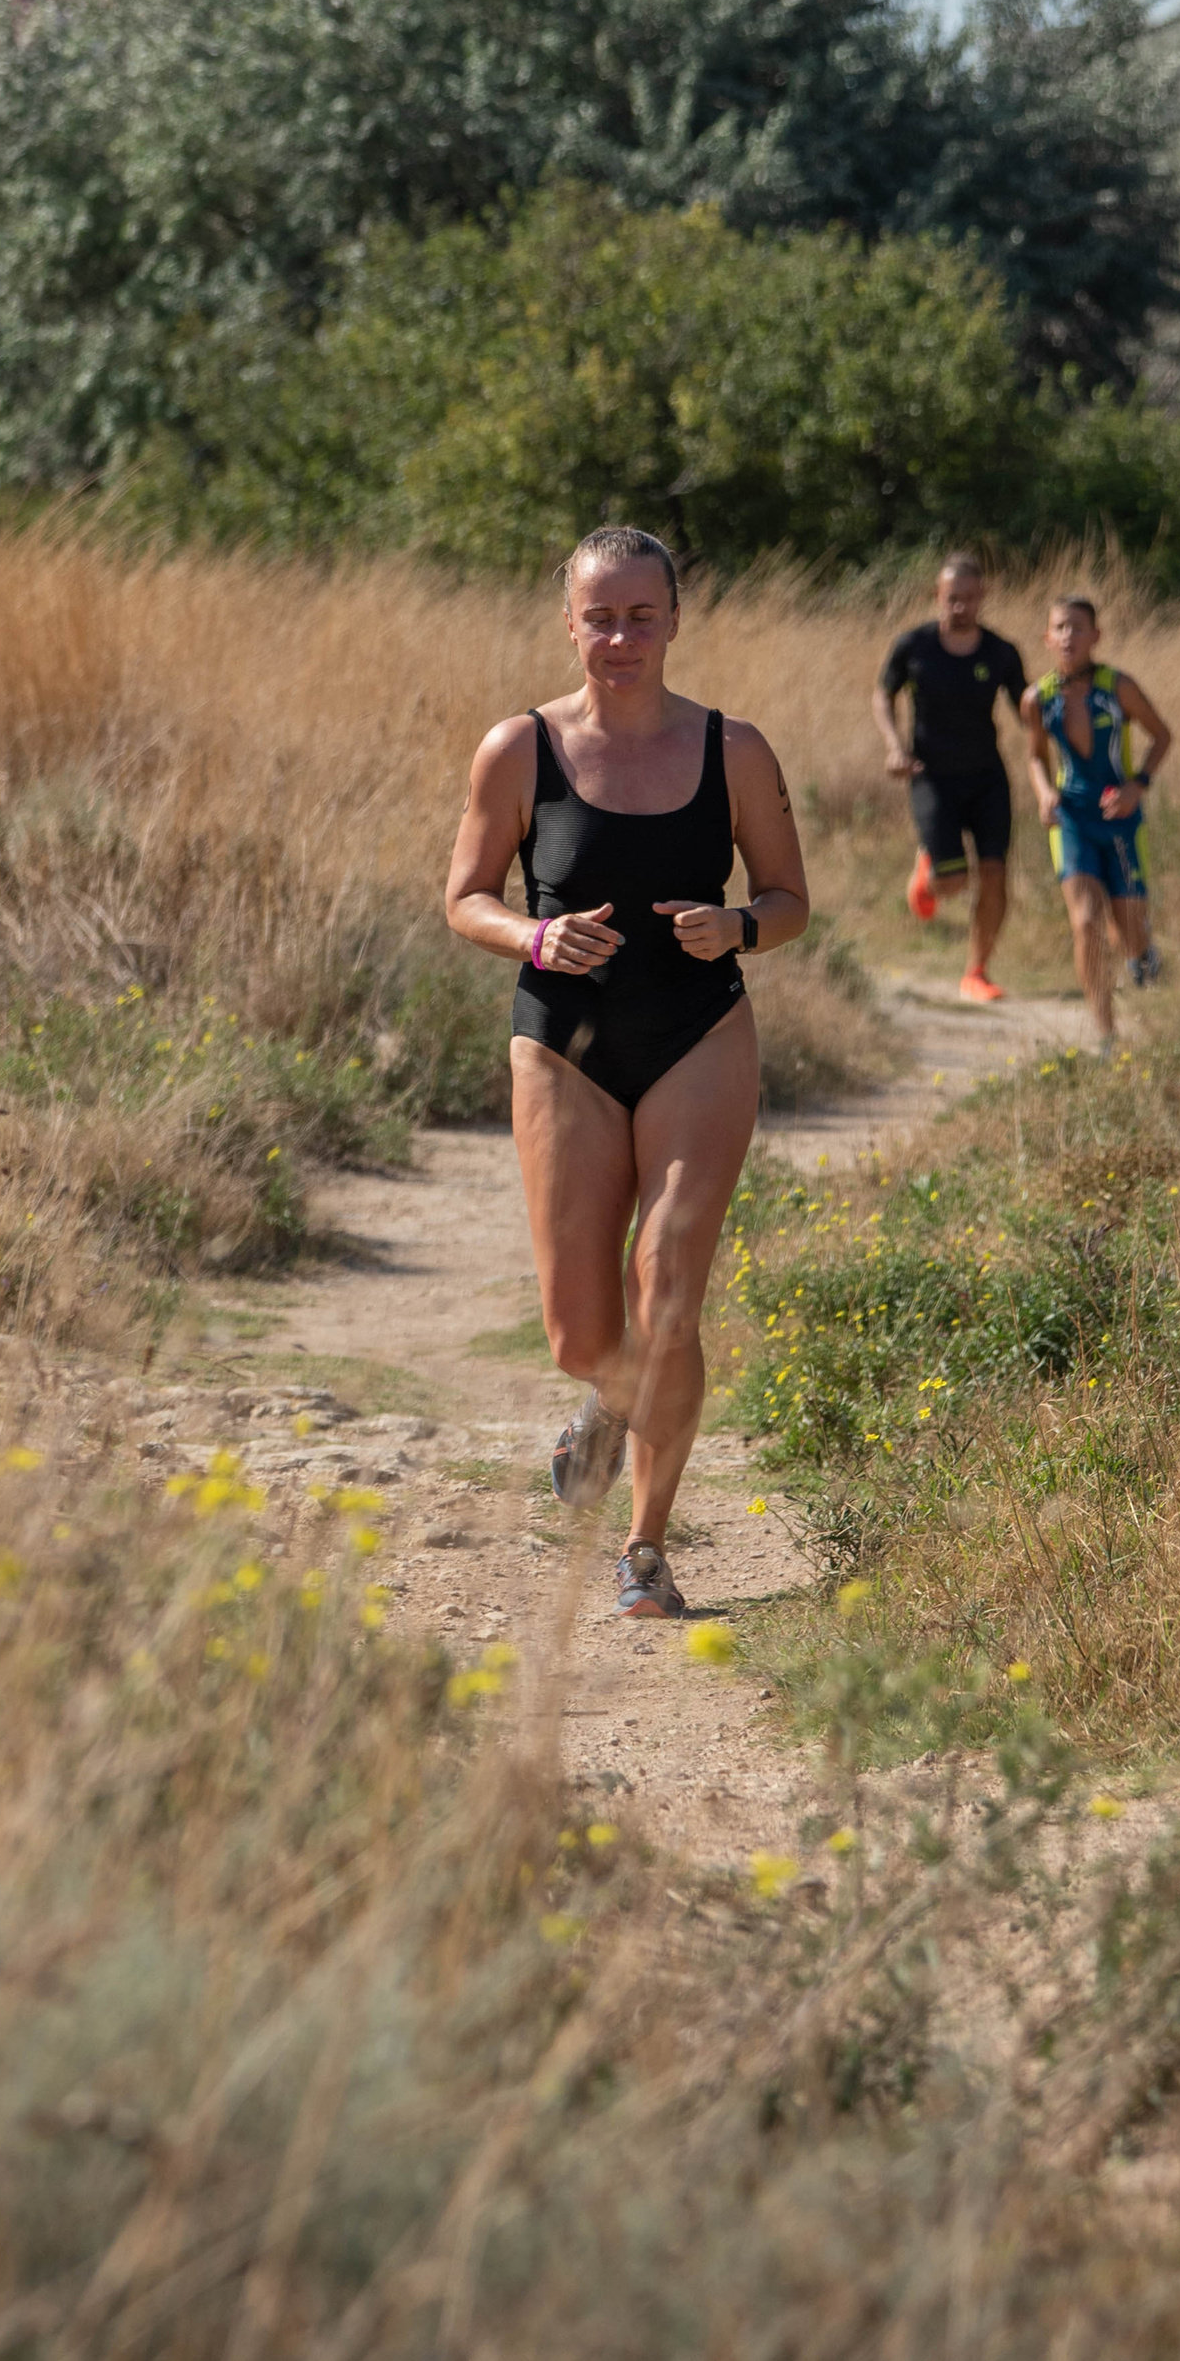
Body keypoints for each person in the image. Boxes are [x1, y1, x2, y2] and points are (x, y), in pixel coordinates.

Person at [444, 524, 809, 1619]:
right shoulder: (518, 749)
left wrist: (736, 926)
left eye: (640, 615)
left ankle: (644, 1549)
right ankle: (603, 1408)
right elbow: (463, 896)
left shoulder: (732, 749)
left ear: (675, 621)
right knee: (580, 1332)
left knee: (673, 1291)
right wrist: (535, 940)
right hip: (562, 1038)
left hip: (699, 1031)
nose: (620, 636)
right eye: (599, 616)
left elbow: (791, 899)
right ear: (568, 623)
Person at [872, 553, 1030, 1002]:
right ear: (938, 597)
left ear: (982, 598)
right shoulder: (914, 646)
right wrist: (894, 746)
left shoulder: (1001, 651)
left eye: (969, 598)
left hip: (987, 777)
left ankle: (976, 972)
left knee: (995, 872)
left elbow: (1026, 711)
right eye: (952, 598)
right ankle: (929, 869)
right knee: (954, 881)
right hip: (931, 775)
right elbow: (883, 694)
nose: (960, 607)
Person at [1023, 594, 1174, 1045]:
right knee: (1086, 921)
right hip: (1072, 820)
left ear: (1096, 636)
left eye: (1078, 627)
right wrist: (1044, 791)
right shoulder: (1037, 697)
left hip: (1122, 819)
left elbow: (1162, 735)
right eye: (1060, 628)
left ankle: (1143, 959)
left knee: (1129, 929)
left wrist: (1138, 785)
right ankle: (1106, 1032)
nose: (1069, 636)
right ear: (1047, 638)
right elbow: (1034, 756)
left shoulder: (1118, 687)